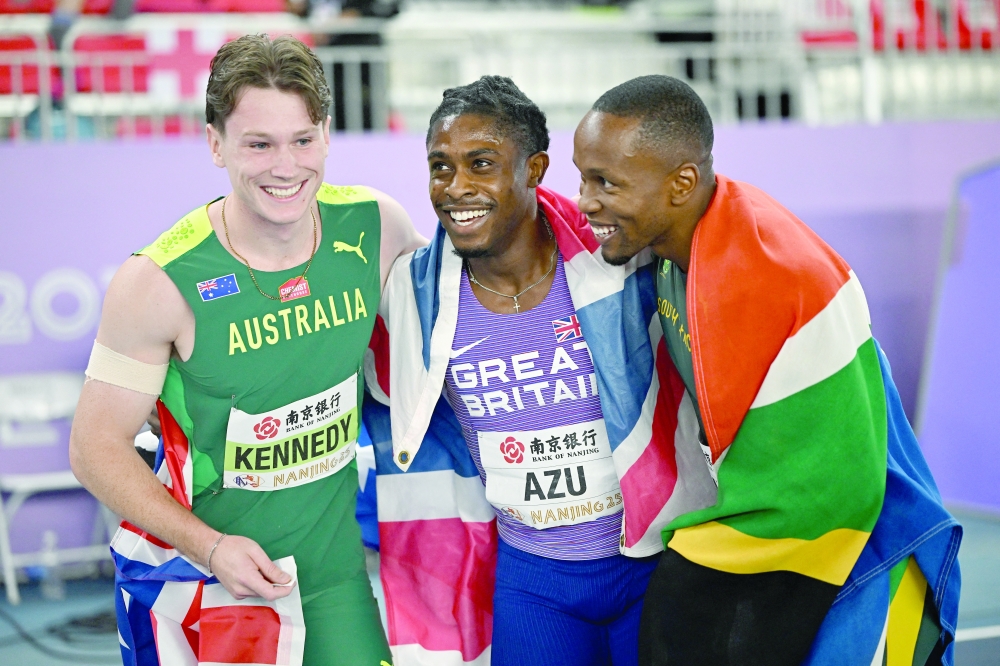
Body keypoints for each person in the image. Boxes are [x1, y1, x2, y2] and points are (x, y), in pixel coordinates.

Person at [573, 75, 962, 665]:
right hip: (795, 510)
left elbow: (836, 488)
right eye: (582, 176)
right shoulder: (687, 237)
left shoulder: (766, 275)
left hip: (858, 537)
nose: (585, 200)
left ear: (681, 183)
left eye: (606, 182)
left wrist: (708, 565)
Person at [70, 34, 424, 665]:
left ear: (326, 134)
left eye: (302, 140)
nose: (285, 168)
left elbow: (461, 324)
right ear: (215, 144)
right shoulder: (157, 282)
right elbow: (94, 448)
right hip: (206, 585)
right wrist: (208, 547)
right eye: (258, 144)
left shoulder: (378, 226)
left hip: (334, 580)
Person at [362, 76, 704, 666]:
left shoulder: (620, 262)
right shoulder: (413, 294)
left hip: (655, 564)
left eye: (481, 163)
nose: (456, 187)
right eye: (440, 166)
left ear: (534, 169)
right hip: (534, 583)